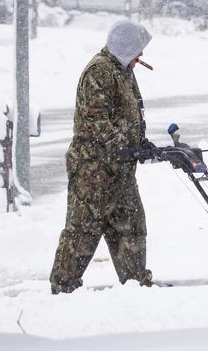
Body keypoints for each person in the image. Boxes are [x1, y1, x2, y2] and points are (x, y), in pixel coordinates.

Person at [50, 20, 157, 294]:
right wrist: (124, 146)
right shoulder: (100, 71)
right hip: (93, 172)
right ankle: (62, 288)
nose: (140, 56)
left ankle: (136, 284)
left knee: (131, 226)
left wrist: (140, 143)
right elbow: (97, 121)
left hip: (119, 170)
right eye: (137, 50)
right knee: (82, 231)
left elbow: (126, 116)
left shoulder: (121, 71)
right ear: (125, 47)